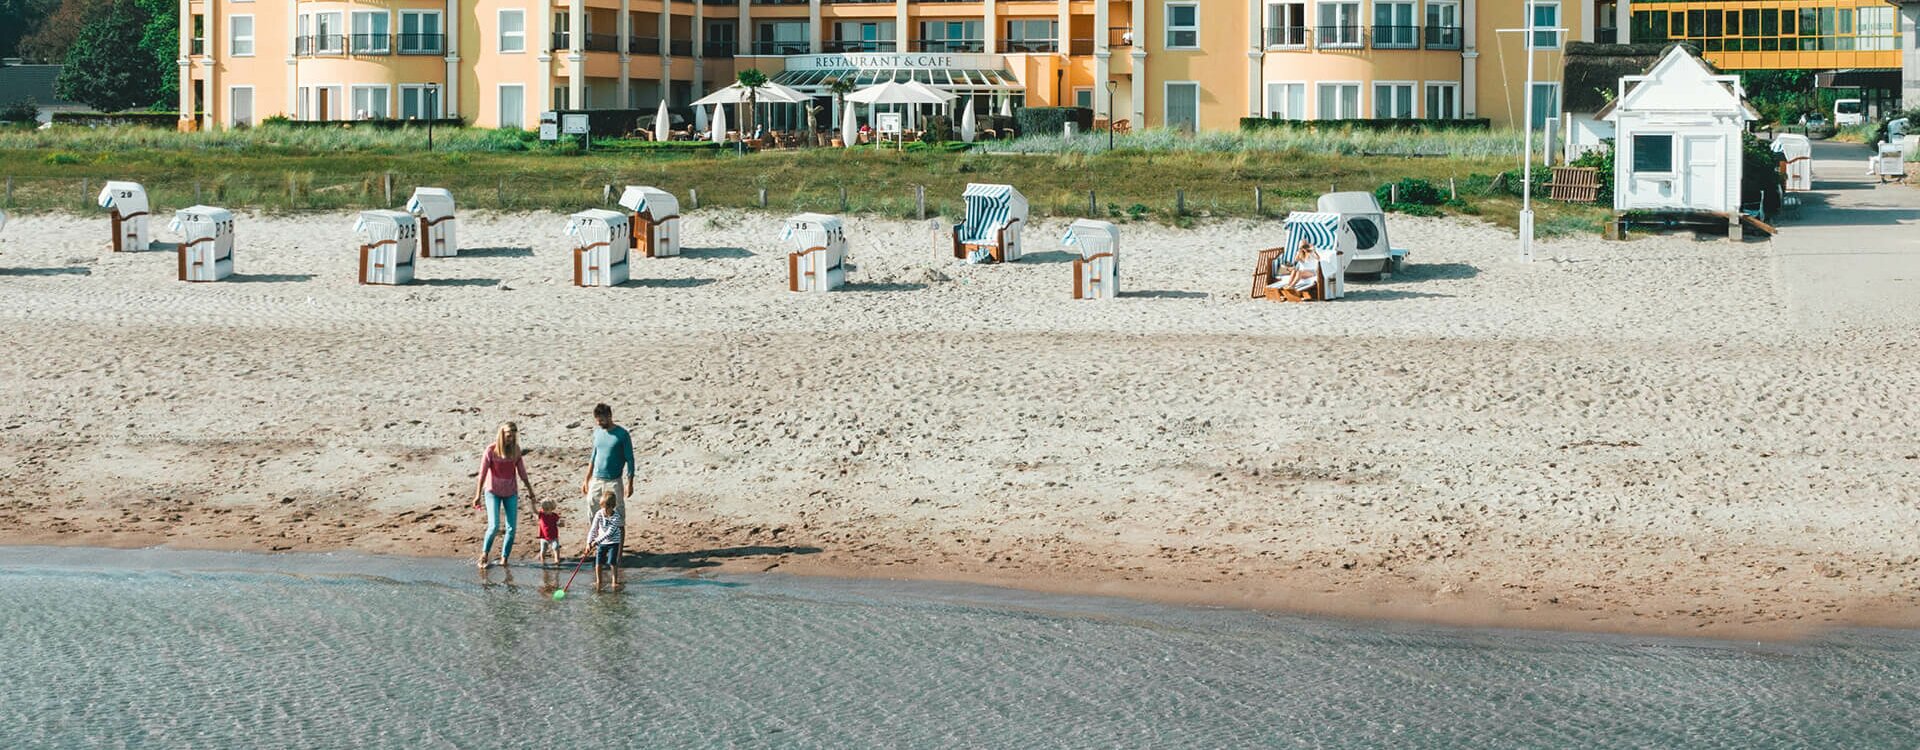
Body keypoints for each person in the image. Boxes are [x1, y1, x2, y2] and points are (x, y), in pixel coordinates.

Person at [472, 421, 536, 569]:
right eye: (508, 436)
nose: (511, 439)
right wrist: (477, 495)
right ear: (502, 435)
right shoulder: (490, 450)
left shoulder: (516, 450)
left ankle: (504, 558)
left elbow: (522, 473)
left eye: (513, 436)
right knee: (494, 526)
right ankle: (484, 554)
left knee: (511, 528)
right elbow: (482, 474)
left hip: (510, 492)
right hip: (492, 491)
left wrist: (531, 491)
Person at [580, 403, 634, 544]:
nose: (599, 423)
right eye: (597, 420)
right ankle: (599, 543)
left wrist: (630, 483)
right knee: (592, 508)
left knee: (618, 514)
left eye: (602, 420)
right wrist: (586, 479)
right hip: (597, 479)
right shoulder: (597, 433)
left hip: (614, 480)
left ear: (609, 416)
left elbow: (630, 459)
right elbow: (593, 457)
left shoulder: (622, 435)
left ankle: (618, 550)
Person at [586, 490, 624, 591]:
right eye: (603, 507)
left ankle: (614, 581)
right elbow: (593, 528)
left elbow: (609, 533)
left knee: (612, 562)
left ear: (612, 507)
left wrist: (596, 541)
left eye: (607, 508)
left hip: (613, 542)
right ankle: (599, 581)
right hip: (601, 542)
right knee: (598, 562)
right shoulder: (599, 513)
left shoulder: (616, 517)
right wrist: (588, 542)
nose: (604, 510)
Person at [533, 499, 561, 566]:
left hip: (553, 536)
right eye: (544, 509)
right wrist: (532, 504)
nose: (545, 511)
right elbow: (535, 511)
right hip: (543, 537)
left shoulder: (554, 515)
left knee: (556, 547)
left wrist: (560, 523)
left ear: (552, 509)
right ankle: (542, 561)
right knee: (543, 550)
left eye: (547, 509)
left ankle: (557, 560)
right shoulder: (541, 514)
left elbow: (559, 522)